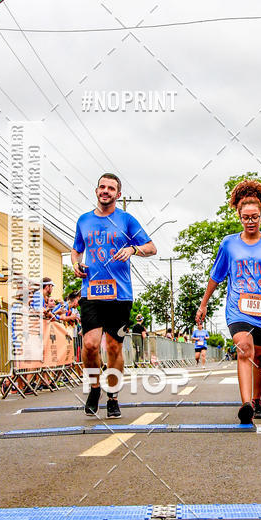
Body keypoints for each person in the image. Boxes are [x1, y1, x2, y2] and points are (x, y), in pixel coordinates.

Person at [196, 180, 261, 425]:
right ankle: (245, 405)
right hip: (238, 308)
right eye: (246, 217)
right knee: (245, 348)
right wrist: (203, 304)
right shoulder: (229, 243)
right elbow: (216, 275)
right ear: (239, 216)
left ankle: (256, 399)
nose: (250, 221)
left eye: (255, 216)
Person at [72, 173, 156, 419]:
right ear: (96, 190)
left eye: (111, 188)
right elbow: (76, 250)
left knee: (113, 347)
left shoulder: (126, 220)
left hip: (120, 295)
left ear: (118, 195)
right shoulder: (84, 220)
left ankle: (113, 396)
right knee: (89, 345)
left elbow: (151, 248)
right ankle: (95, 388)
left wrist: (133, 249)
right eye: (102, 187)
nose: (105, 191)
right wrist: (75, 264)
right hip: (91, 292)